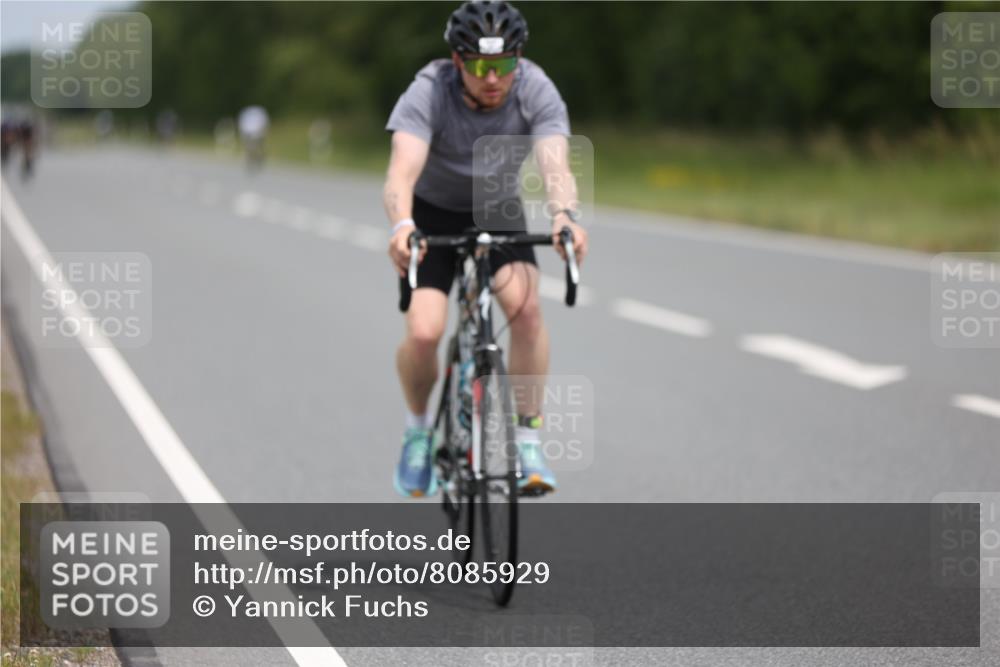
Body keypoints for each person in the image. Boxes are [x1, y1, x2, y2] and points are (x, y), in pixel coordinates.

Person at [384, 1, 588, 498]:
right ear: (457, 62)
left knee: (525, 310)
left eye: (504, 64)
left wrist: (565, 216)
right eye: (479, 66)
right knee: (426, 332)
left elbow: (554, 165)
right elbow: (401, 171)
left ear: (518, 58)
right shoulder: (429, 90)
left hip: (497, 207)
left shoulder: (535, 88)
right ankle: (417, 432)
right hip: (431, 212)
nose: (493, 78)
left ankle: (528, 441)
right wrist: (402, 224)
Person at [237, 105, 269, 171]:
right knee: (250, 148)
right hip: (250, 132)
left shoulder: (257, 113)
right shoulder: (251, 113)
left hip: (256, 132)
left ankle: (259, 158)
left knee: (257, 147)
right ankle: (251, 160)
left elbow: (264, 122)